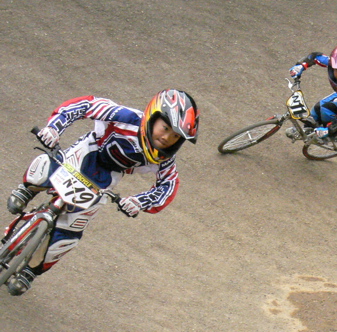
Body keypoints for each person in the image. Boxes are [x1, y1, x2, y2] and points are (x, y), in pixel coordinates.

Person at [4, 90, 199, 295]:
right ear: (152, 116)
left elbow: (167, 187)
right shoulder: (127, 117)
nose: (167, 138)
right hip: (88, 151)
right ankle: (28, 188)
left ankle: (30, 271)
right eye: (165, 128)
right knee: (51, 167)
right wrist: (54, 128)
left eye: (175, 136)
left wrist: (139, 202)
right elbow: (85, 105)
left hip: (106, 178)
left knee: (69, 232)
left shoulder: (165, 160)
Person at [286, 44, 337, 139]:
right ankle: (307, 130)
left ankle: (333, 135)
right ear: (332, 66)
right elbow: (314, 57)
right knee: (317, 108)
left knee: (327, 110)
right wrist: (300, 66)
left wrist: (328, 130)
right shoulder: (331, 63)